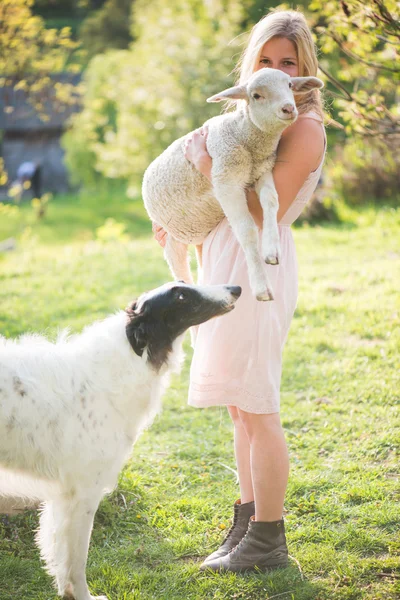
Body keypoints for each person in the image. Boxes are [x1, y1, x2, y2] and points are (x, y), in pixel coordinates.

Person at [153, 9, 326, 572]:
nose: (276, 71)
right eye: (265, 61)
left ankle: (269, 542)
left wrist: (205, 169)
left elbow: (258, 204)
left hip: (262, 269)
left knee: (257, 405)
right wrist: (182, 224)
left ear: (302, 73)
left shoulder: (302, 127)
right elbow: (225, 211)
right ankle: (246, 521)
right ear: (251, 69)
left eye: (288, 63)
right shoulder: (247, 127)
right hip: (225, 259)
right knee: (237, 406)